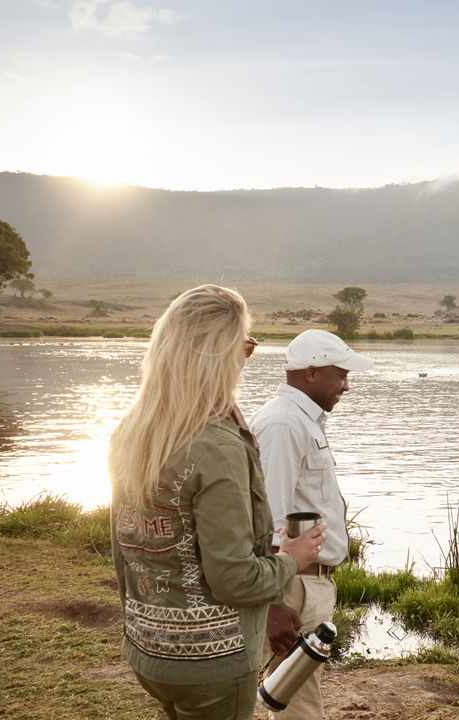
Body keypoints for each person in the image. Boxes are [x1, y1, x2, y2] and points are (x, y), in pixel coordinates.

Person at [109, 284, 326, 720]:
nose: (245, 359)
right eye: (245, 345)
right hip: (211, 661)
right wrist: (291, 559)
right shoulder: (216, 447)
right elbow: (234, 580)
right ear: (220, 354)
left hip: (148, 651)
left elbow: (128, 552)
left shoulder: (133, 432)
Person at [250, 328, 373, 719]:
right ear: (313, 373)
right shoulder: (284, 424)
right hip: (292, 586)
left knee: (296, 699)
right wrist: (273, 603)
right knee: (296, 707)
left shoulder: (300, 421)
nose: (347, 386)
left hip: (304, 583)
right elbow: (267, 519)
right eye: (342, 375)